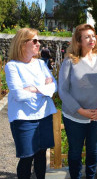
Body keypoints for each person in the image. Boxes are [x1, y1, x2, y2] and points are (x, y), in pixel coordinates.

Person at [58, 24, 97, 178]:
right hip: (75, 116)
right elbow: (63, 90)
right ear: (78, 41)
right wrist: (81, 111)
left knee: (93, 150)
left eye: (93, 35)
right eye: (87, 36)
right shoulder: (70, 61)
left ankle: (90, 176)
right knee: (75, 151)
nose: (91, 39)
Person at [5, 28, 57, 178]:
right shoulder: (12, 66)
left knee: (41, 155)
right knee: (27, 157)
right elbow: (19, 94)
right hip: (23, 119)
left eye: (38, 40)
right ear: (22, 44)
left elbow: (54, 87)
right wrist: (43, 89)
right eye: (34, 41)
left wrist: (34, 89)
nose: (38, 44)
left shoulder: (41, 64)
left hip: (44, 115)